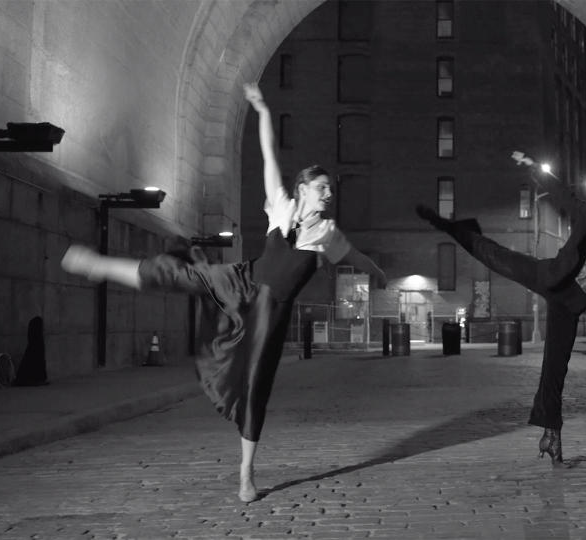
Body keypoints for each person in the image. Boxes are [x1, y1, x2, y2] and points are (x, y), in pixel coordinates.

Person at [61, 83, 386, 502]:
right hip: (242, 280)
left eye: (329, 189)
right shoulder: (281, 205)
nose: (329, 193)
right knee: (183, 275)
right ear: (304, 188)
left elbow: (356, 257)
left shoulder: (327, 234)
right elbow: (269, 154)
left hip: (271, 312)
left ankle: (246, 475)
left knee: (256, 387)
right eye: (322, 187)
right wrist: (263, 109)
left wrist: (378, 270)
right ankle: (100, 265)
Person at [415, 151, 586, 465]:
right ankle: (451, 227)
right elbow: (562, 195)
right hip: (551, 277)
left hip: (570, 305)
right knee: (496, 257)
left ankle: (551, 435)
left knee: (554, 371)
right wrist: (535, 169)